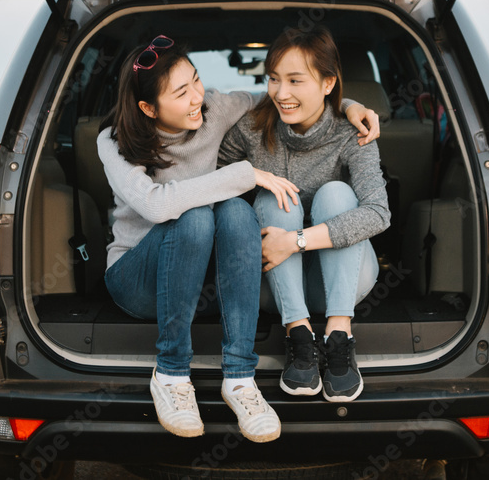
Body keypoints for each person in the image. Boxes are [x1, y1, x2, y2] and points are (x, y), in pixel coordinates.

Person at [96, 35, 380, 441]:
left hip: (197, 278)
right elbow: (157, 207)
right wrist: (246, 174)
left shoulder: (216, 108)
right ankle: (172, 374)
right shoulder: (114, 141)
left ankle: (240, 379)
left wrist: (350, 107)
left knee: (234, 210)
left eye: (196, 81)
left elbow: (286, 98)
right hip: (138, 277)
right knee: (194, 216)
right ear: (147, 107)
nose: (197, 97)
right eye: (181, 93)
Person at [219, 26, 390, 403]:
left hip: (343, 282)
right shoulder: (250, 129)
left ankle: (339, 335)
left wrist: (293, 243)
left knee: (338, 193)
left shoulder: (353, 133)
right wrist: (251, 179)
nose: (281, 93)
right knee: (274, 198)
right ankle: (299, 337)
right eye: (274, 79)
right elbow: (212, 184)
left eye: (296, 80)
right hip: (276, 286)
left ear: (328, 83)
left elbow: (379, 213)